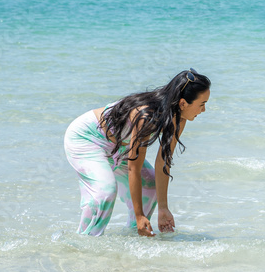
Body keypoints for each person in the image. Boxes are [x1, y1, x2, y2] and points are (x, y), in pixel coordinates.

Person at [63, 69, 211, 236]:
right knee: (106, 192)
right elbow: (134, 167)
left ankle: (135, 234)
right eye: (202, 104)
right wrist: (139, 214)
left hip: (119, 146)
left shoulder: (180, 119)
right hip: (87, 138)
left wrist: (163, 208)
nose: (204, 110)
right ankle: (84, 242)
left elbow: (163, 162)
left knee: (150, 186)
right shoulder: (145, 115)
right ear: (183, 103)